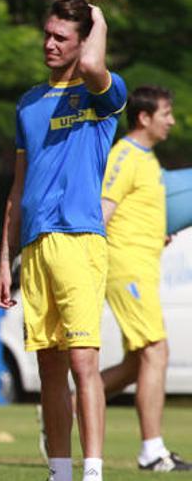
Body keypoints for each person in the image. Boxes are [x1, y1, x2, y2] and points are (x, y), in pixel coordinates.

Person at [0, 0, 126, 481]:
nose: (49, 44)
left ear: (83, 41)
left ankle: (93, 471)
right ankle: (60, 471)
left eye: (61, 37)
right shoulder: (28, 102)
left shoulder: (101, 92)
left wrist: (98, 20)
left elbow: (93, 63)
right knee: (48, 366)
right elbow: (18, 186)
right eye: (46, 34)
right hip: (34, 246)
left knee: (81, 361)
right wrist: (7, 258)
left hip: (79, 240)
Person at [100, 86, 190, 472]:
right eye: (166, 113)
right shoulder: (123, 155)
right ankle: (152, 451)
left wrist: (159, 233)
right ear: (144, 117)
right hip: (127, 269)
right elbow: (102, 213)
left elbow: (139, 213)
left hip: (144, 266)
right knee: (156, 350)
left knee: (139, 362)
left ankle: (60, 409)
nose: (171, 120)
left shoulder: (148, 160)